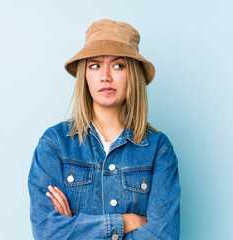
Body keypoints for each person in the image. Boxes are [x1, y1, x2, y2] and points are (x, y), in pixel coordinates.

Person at [28, 19, 180, 240]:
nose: (105, 76)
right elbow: (46, 232)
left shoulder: (158, 149)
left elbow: (163, 235)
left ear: (133, 75)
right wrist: (125, 222)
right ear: (85, 75)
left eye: (119, 65)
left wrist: (75, 229)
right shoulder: (55, 144)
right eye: (95, 65)